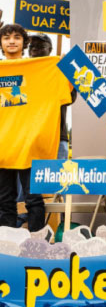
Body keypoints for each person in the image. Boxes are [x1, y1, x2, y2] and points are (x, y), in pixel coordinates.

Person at [0, 24, 47, 231]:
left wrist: (64, 68)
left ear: (24, 42)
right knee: (4, 200)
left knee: (34, 199)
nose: (11, 41)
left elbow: (63, 93)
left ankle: (38, 242)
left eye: (17, 37)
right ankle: (6, 242)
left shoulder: (38, 68)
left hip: (29, 144)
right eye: (6, 37)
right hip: (2, 145)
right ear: (1, 43)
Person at [28, 33, 77, 159]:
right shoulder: (22, 73)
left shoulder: (60, 70)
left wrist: (68, 71)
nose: (35, 48)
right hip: (27, 137)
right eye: (32, 46)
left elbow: (70, 98)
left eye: (41, 46)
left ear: (50, 50)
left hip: (56, 137)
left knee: (56, 172)